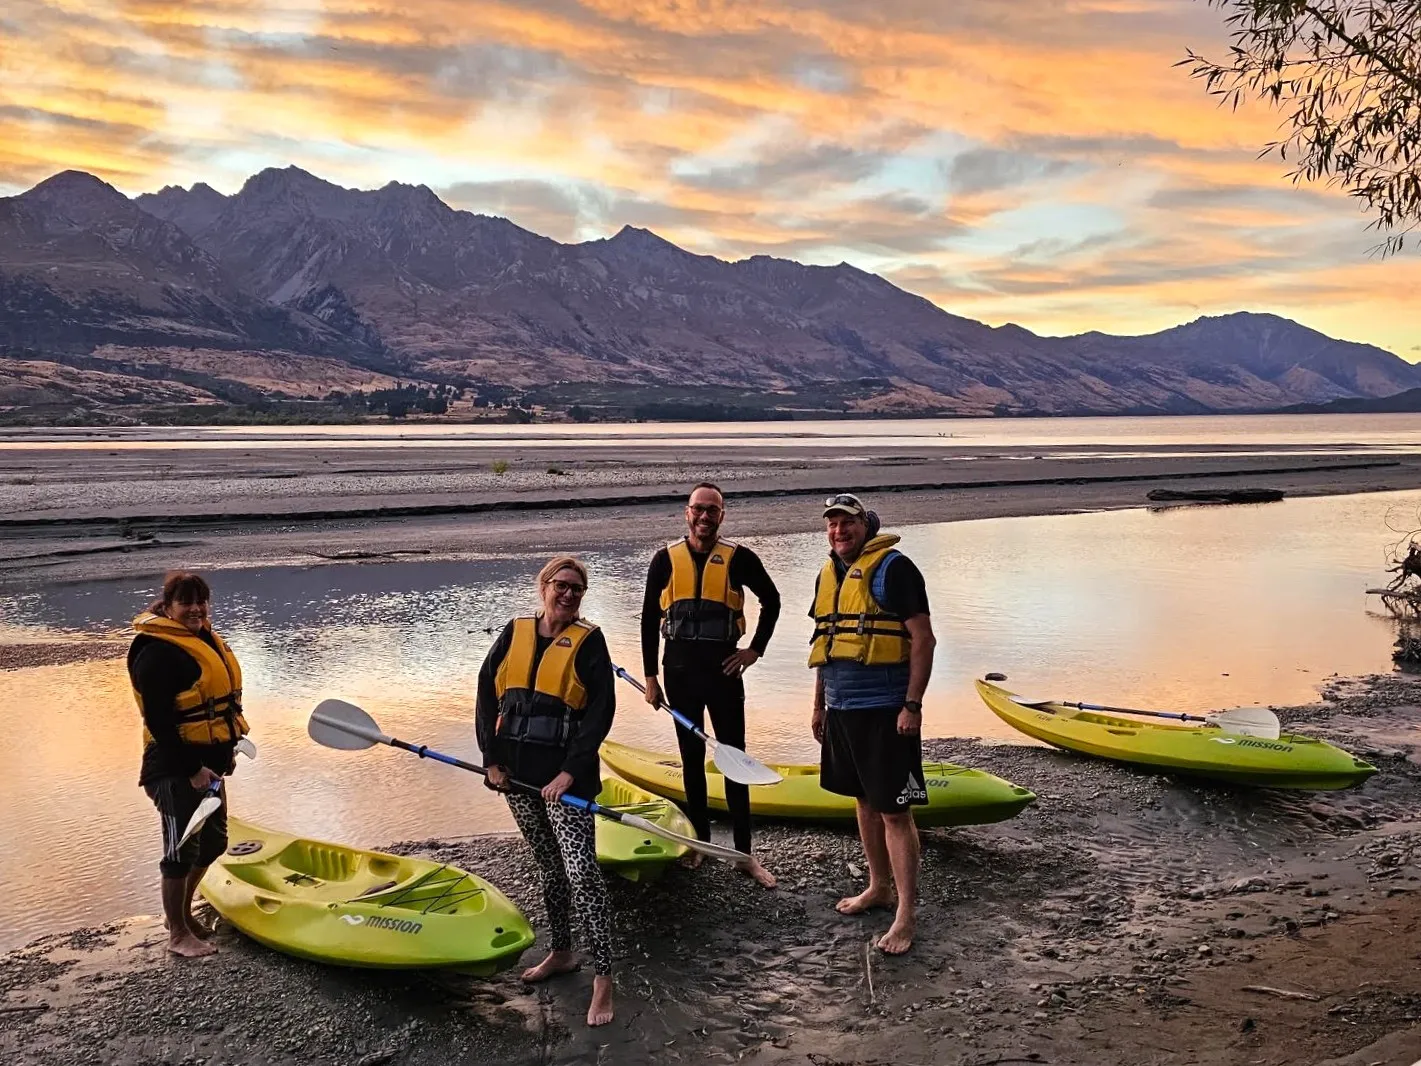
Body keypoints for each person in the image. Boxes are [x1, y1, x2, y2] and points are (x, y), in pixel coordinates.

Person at [475, 556, 617, 1027]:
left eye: (578, 588)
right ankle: (560, 951)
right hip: (517, 778)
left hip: (565, 783)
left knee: (583, 874)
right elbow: (485, 693)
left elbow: (599, 713)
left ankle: (603, 977)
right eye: (562, 585)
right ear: (545, 586)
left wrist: (571, 773)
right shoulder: (514, 631)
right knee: (550, 870)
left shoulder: (589, 642)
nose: (569, 594)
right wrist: (490, 759)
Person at [808, 493, 936, 954]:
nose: (839, 531)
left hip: (886, 710)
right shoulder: (829, 574)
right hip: (842, 709)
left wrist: (912, 705)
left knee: (895, 812)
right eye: (832, 524)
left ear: (867, 526)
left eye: (848, 523)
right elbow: (826, 643)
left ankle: (906, 913)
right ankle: (878, 886)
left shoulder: (895, 569)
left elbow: (923, 640)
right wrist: (820, 706)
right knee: (863, 802)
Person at [641, 482, 780, 888]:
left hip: (723, 673)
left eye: (712, 511)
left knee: (735, 759)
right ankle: (701, 844)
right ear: (687, 513)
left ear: (722, 516)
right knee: (690, 762)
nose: (704, 517)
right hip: (679, 674)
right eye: (698, 509)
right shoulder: (664, 560)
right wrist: (650, 677)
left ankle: (743, 854)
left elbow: (772, 600)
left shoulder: (740, 559)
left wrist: (754, 650)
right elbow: (650, 619)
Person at [128, 570, 249, 959]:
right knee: (180, 850)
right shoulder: (157, 652)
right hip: (175, 769)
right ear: (167, 607)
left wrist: (228, 749)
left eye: (201, 601)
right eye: (186, 602)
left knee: (214, 842)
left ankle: (179, 915)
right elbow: (160, 723)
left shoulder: (202, 640)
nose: (196, 609)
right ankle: (178, 933)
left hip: (209, 768)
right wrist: (193, 769)